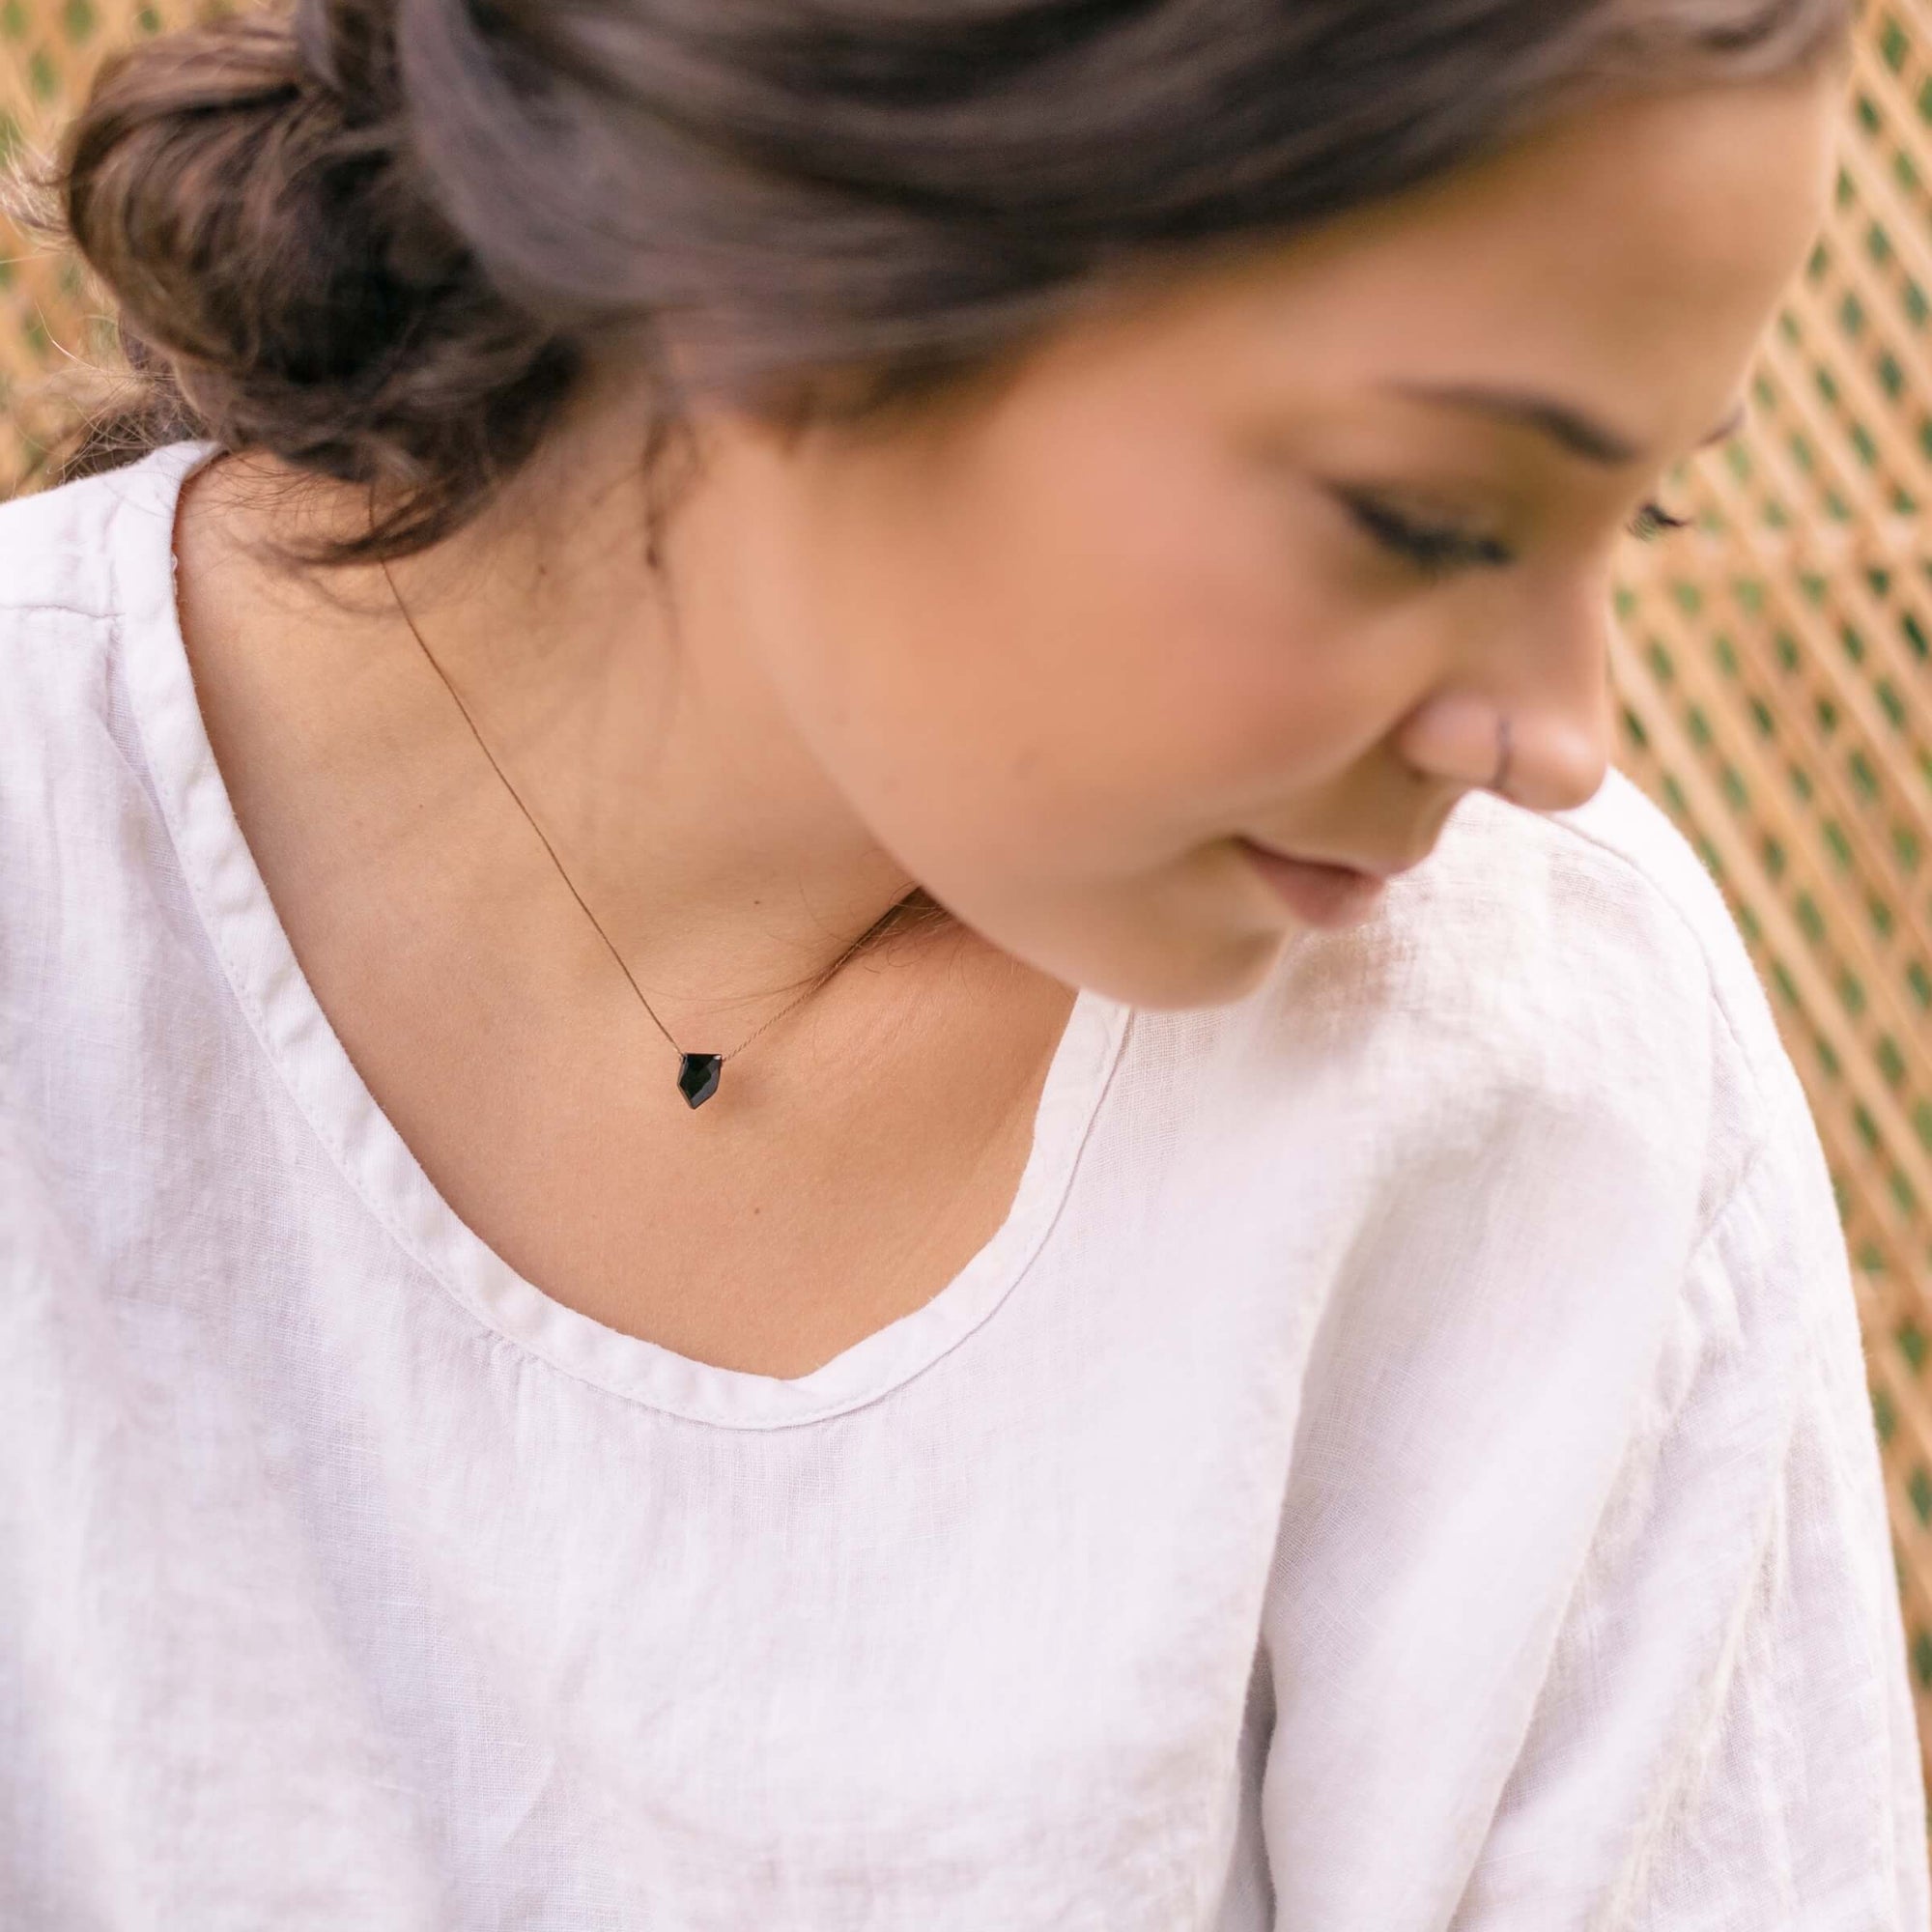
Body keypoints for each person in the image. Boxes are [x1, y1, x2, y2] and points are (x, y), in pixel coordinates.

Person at [1, 0, 1923, 1922]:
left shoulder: (1544, 1067)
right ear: (794, 253)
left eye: (1637, 505)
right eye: (1423, 514)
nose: (1561, 730)